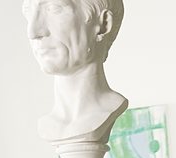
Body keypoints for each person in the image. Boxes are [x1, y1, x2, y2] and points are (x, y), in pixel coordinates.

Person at [23, 0, 128, 145]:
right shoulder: (48, 124)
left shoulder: (108, 110)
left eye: (54, 8)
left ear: (104, 24)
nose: (32, 32)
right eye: (28, 12)